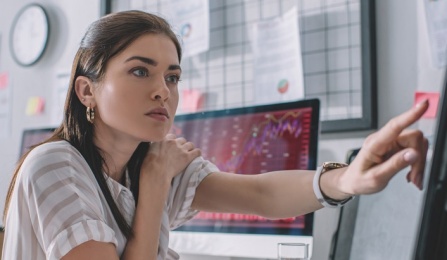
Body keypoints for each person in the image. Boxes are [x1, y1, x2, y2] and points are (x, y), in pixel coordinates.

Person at [2, 10, 428, 260]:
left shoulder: (153, 158)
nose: (161, 91)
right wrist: (154, 185)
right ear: (86, 89)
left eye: (172, 77)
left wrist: (347, 178)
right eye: (139, 70)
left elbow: (261, 195)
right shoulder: (55, 165)